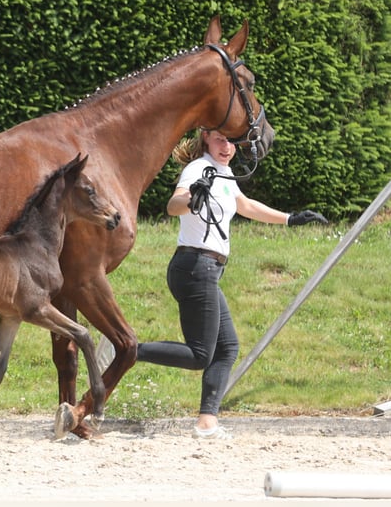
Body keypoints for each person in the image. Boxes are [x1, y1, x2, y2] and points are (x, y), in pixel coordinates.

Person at [137, 129, 327, 440]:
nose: (227, 147)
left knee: (226, 347)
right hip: (196, 266)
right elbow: (173, 205)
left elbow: (246, 206)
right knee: (201, 354)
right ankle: (130, 351)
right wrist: (190, 199)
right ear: (206, 140)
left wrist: (290, 219)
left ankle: (207, 422)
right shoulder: (200, 168)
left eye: (231, 142)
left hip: (205, 269)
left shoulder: (223, 174)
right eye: (219, 140)